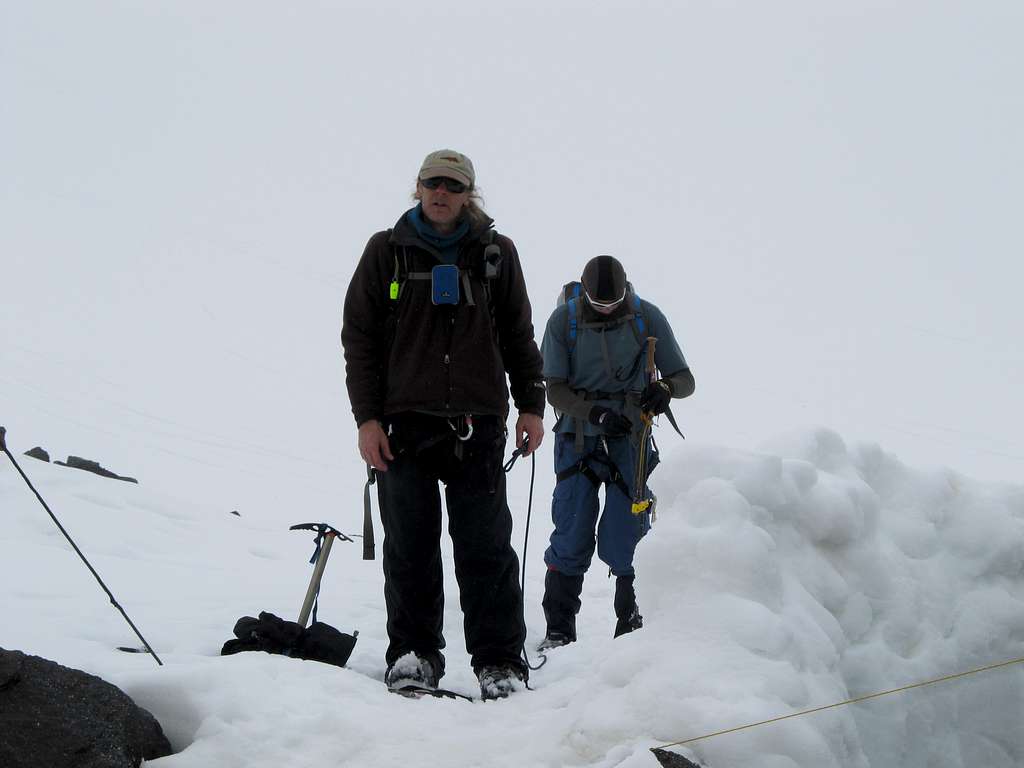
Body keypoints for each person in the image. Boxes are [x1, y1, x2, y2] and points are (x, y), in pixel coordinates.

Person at [341, 149, 546, 700]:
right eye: (432, 182)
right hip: (402, 427)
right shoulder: (385, 252)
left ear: (468, 193)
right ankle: (413, 655)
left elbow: (519, 334)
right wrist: (367, 419)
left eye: (452, 185)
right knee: (409, 545)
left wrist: (531, 404)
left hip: (479, 424)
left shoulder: (498, 254)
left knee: (486, 549)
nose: (441, 192)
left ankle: (500, 661)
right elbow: (359, 339)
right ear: (418, 187)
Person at [538, 255, 694, 648]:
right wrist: (595, 413)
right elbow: (553, 387)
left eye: (613, 302)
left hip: (633, 442)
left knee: (629, 535)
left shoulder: (647, 318)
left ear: (626, 291)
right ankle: (559, 630)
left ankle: (631, 626)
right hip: (578, 439)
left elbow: (685, 379)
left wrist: (665, 390)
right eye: (598, 303)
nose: (606, 308)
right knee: (571, 531)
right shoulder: (564, 322)